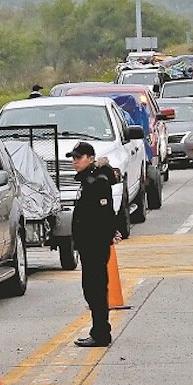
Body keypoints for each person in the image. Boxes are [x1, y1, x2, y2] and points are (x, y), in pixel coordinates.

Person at [69, 141, 120, 348]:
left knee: (96, 290)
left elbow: (104, 214)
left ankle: (100, 333)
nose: (74, 162)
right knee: (91, 289)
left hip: (95, 245)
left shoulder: (97, 181)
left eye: (78, 158)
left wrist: (108, 235)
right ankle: (98, 331)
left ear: (90, 159)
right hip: (88, 245)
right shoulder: (87, 180)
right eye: (73, 158)